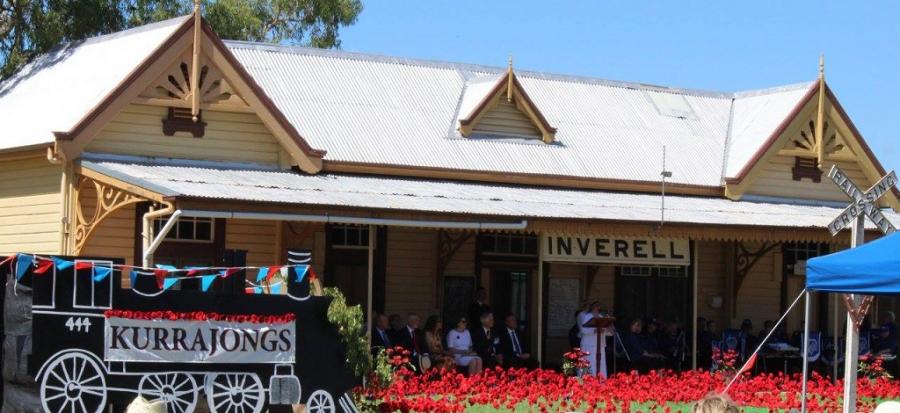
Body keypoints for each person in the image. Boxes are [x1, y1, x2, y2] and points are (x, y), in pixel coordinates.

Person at [579, 301, 612, 377]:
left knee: (600, 364)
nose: (598, 308)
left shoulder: (601, 316)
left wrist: (607, 330)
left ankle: (600, 380)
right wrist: (594, 331)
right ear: (592, 307)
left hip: (599, 344)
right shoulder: (587, 316)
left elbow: (605, 330)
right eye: (596, 306)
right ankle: (588, 380)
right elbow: (583, 330)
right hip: (589, 344)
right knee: (590, 362)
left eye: (599, 306)